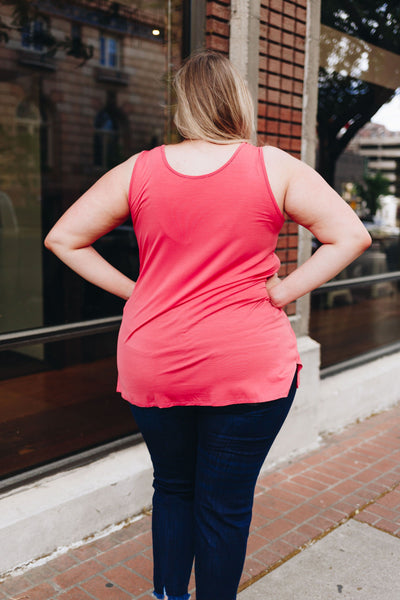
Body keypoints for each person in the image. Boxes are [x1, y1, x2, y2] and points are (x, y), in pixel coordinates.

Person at [44, 50, 371, 600]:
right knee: (223, 505)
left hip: (156, 361)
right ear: (237, 102)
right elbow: (351, 235)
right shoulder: (275, 166)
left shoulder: (140, 168)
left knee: (173, 488)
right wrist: (284, 290)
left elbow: (63, 238)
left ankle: (169, 596)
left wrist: (137, 291)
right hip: (249, 364)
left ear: (183, 106)